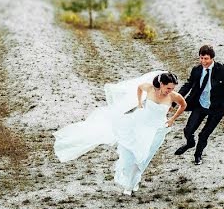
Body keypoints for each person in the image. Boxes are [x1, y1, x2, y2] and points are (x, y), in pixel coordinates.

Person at [54, 71, 186, 195]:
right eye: (168, 88)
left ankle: (134, 181)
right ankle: (129, 184)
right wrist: (140, 103)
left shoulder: (174, 96)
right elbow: (139, 88)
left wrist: (172, 119)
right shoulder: (150, 88)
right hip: (141, 124)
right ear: (162, 84)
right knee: (133, 154)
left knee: (144, 157)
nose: (170, 91)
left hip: (157, 130)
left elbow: (183, 105)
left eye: (172, 88)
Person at [174, 45, 224, 165]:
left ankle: (198, 155)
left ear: (212, 58)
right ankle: (190, 143)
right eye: (201, 58)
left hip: (217, 108)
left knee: (203, 135)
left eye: (206, 58)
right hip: (200, 105)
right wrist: (174, 101)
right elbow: (187, 85)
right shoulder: (196, 70)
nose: (203, 61)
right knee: (188, 130)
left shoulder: (222, 69)